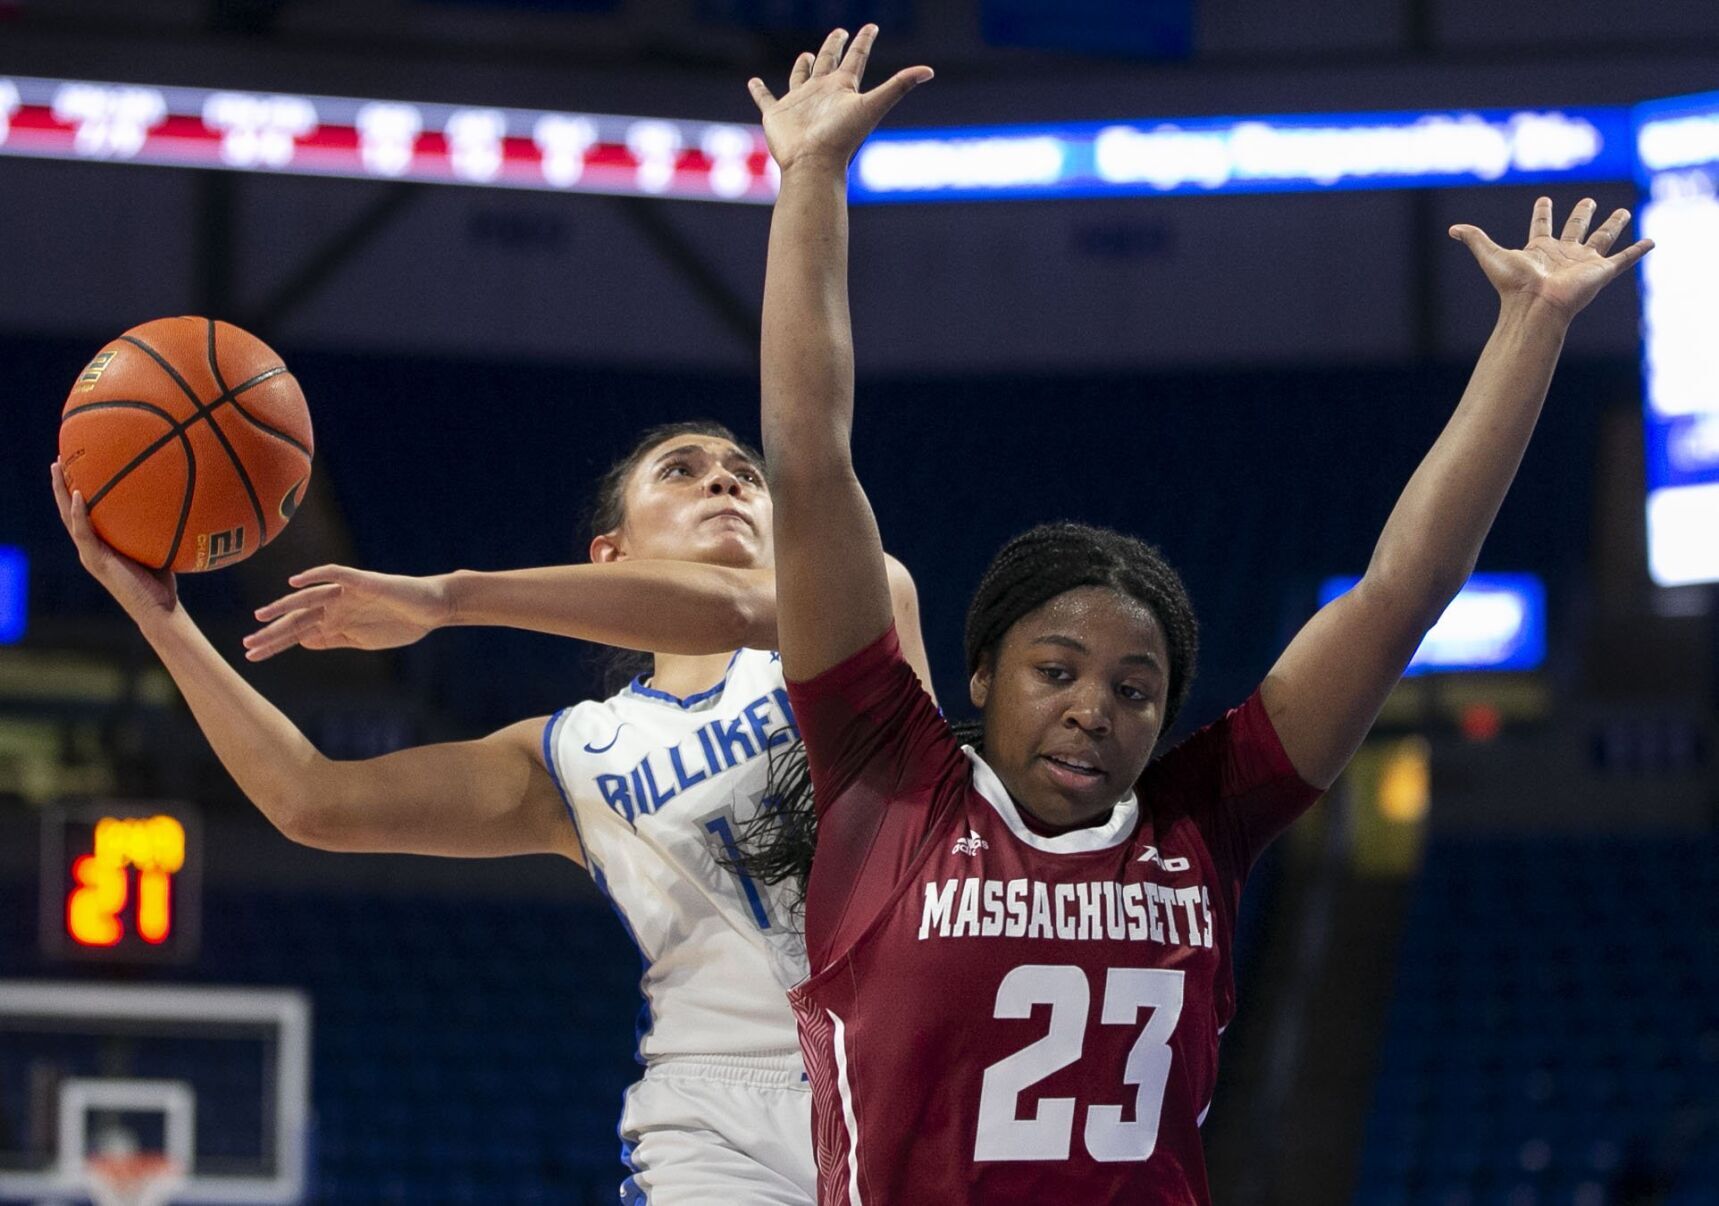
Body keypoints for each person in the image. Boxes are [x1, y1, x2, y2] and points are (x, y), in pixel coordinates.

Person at [744, 25, 1652, 1203]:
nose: (1094, 711)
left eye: (1135, 691)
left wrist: (1531, 330)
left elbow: (1402, 594)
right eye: (1055, 671)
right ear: (978, 675)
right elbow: (810, 466)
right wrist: (810, 178)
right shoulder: (888, 787)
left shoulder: (1198, 823)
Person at [53, 417, 934, 1206]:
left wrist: (447, 598)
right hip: (717, 1115)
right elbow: (313, 800)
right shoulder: (570, 756)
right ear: (610, 556)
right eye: (681, 469)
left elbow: (744, 609)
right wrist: (160, 619)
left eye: (745, 472)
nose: (725, 479)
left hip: (908, 1073)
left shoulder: (867, 611)